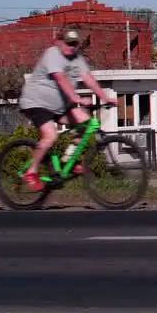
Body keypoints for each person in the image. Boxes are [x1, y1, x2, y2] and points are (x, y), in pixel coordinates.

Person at [17, 28, 116, 191]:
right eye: (68, 43)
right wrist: (75, 98)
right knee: (50, 135)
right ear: (58, 42)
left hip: (60, 106)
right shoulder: (52, 54)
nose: (71, 47)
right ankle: (30, 171)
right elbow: (60, 78)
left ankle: (68, 160)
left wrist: (104, 97)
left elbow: (88, 79)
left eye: (75, 44)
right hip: (36, 102)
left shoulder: (77, 58)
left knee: (85, 123)